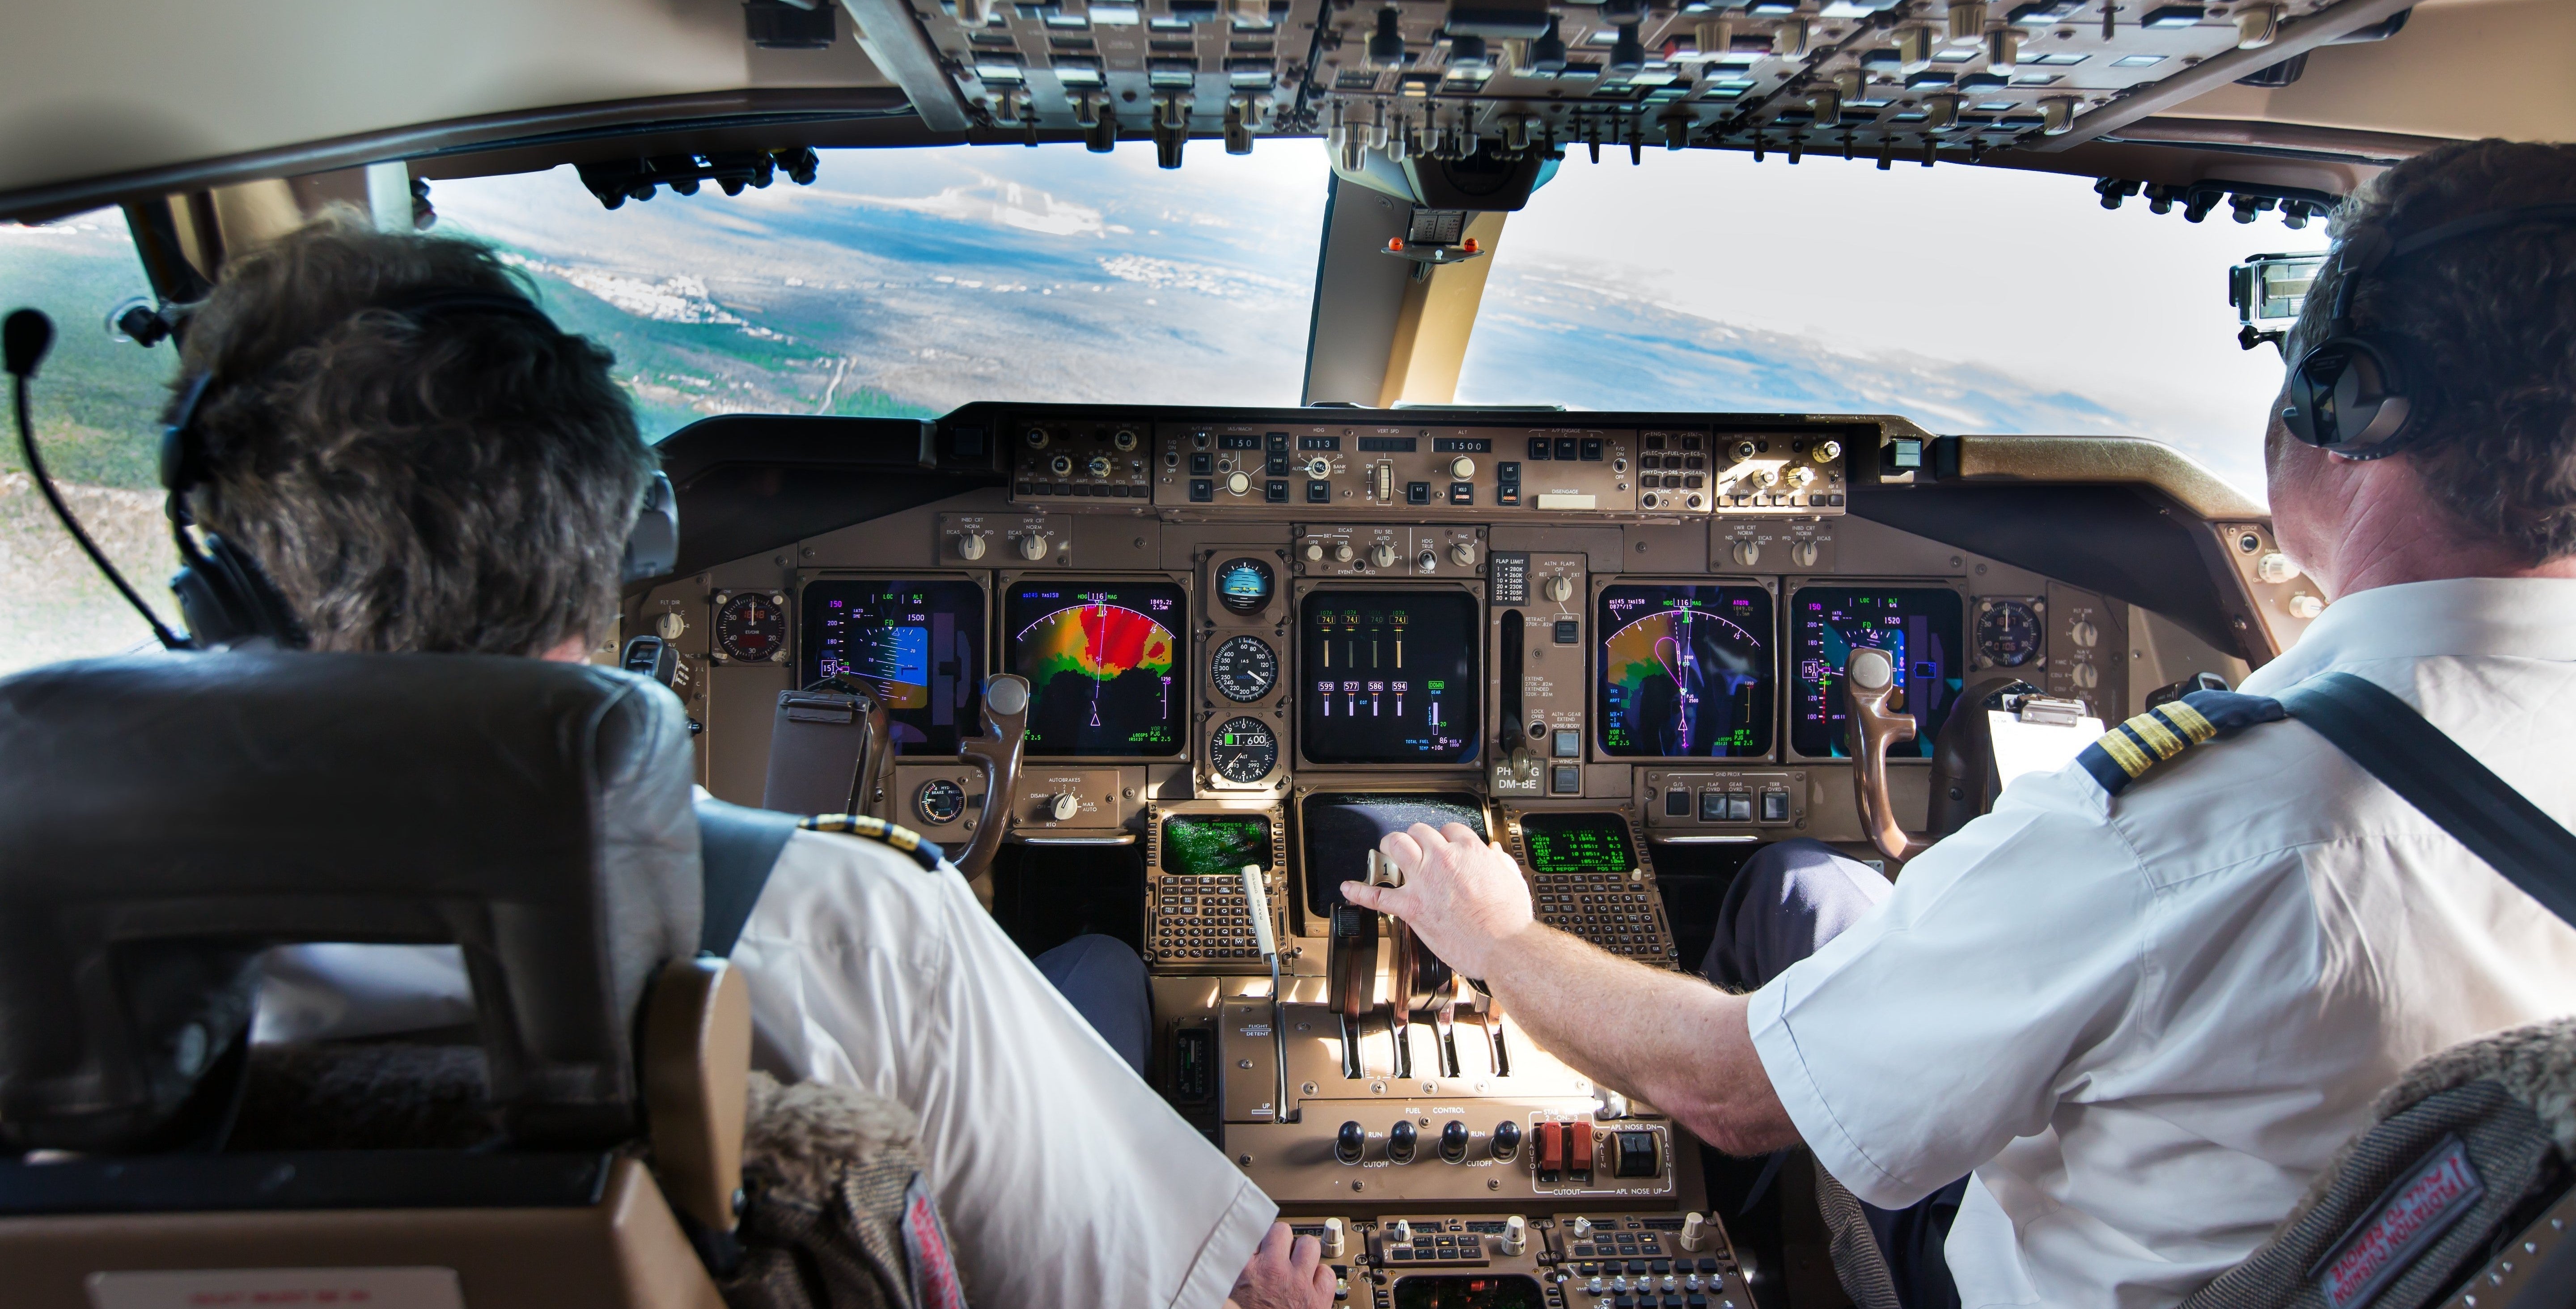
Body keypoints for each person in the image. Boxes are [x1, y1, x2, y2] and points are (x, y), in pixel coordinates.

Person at [1343, 138, 2576, 1308]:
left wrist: (1497, 937)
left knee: (1781, 1000)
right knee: (1805, 887)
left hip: (1983, 1274)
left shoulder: (2177, 831)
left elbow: (1727, 1092)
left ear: (2344, 399)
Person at [169, 212, 1330, 1309]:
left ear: (222, 595)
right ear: (618, 550)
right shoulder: (850, 921)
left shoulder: (68, 953)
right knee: (1103, 965)